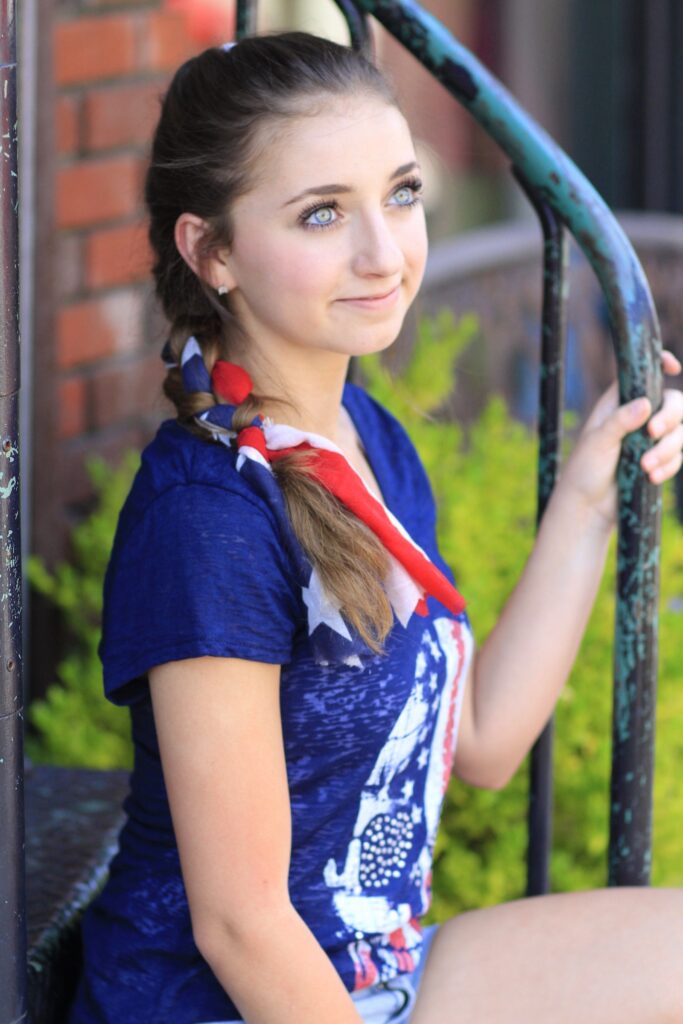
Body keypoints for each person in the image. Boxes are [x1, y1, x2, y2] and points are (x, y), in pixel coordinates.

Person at [68, 31, 683, 1024]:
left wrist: (585, 495)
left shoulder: (364, 438)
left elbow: (478, 740)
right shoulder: (206, 520)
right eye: (321, 214)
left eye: (399, 194)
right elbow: (239, 925)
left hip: (372, 970)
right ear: (211, 251)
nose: (383, 253)